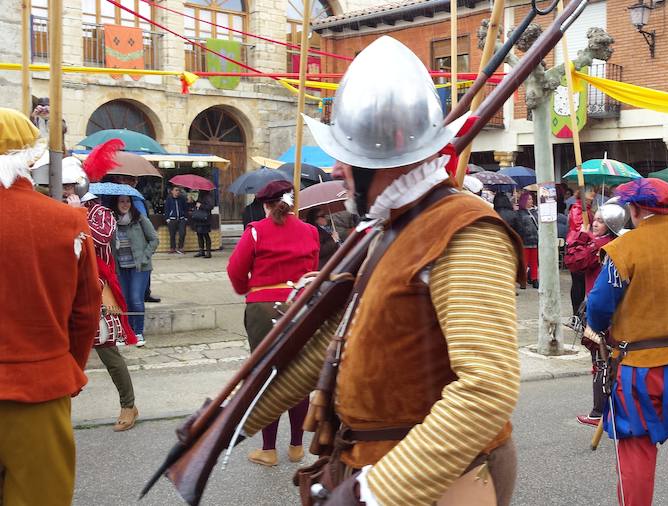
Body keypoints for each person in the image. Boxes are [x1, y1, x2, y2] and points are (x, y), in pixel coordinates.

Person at [236, 36, 523, 505]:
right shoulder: (389, 225)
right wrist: (235, 418)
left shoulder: (465, 229)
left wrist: (373, 492)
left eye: (346, 158)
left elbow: (487, 389)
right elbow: (331, 347)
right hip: (367, 460)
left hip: (443, 480)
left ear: (377, 163)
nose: (334, 169)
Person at [585, 178, 668, 506]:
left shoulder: (623, 249)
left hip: (636, 369)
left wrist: (601, 327)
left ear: (634, 209)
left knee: (636, 453)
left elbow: (599, 308)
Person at [0, 107, 102, 505]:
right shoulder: (67, 221)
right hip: (40, 390)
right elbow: (85, 312)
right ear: (29, 157)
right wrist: (67, 367)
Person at [226, 180, 319, 467]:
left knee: (267, 377)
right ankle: (295, 447)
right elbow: (313, 270)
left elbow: (236, 270)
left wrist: (247, 290)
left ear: (265, 205)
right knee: (299, 376)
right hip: (301, 305)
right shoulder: (311, 231)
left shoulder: (255, 231)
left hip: (264, 308)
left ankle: (268, 449)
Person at [81, 192, 140, 431]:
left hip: (95, 288)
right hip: (65, 289)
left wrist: (75, 216)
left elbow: (103, 238)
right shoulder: (56, 206)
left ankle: (128, 405)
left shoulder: (101, 213)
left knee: (107, 350)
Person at [574, 200, 629, 427]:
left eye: (600, 220)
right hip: (614, 312)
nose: (595, 224)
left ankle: (600, 412)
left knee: (602, 362)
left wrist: (596, 323)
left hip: (609, 315)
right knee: (606, 362)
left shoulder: (614, 250)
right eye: (594, 219)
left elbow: (576, 261)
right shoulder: (627, 245)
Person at [109, 195, 158, 347]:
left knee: (136, 299)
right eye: (121, 201)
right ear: (116, 203)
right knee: (123, 299)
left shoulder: (139, 219)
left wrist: (145, 257)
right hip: (121, 268)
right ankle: (126, 333)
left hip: (139, 267)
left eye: (127, 201)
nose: (125, 204)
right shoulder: (111, 221)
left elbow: (154, 239)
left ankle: (138, 332)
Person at [567, 188, 595, 314]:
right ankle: (576, 313)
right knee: (578, 283)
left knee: (582, 283)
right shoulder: (578, 209)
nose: (593, 194)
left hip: (583, 245)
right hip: (578, 246)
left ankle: (579, 313)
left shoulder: (587, 209)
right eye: (590, 192)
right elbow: (580, 228)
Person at [517, 192, 539, 288]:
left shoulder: (535, 212)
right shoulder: (519, 213)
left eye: (531, 199)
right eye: (529, 199)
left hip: (534, 239)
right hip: (524, 240)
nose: (531, 201)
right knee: (524, 262)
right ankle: (523, 279)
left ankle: (534, 279)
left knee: (534, 262)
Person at [164, 186, 188, 254]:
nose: (178, 192)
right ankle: (172, 248)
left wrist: (185, 218)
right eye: (176, 190)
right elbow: (166, 209)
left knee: (182, 233)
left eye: (179, 190)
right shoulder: (169, 199)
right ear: (172, 191)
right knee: (172, 235)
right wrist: (167, 219)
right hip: (172, 219)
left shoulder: (182, 198)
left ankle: (180, 248)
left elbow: (185, 208)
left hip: (181, 219)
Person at [190, 191, 214, 258]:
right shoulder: (200, 196)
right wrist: (193, 202)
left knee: (205, 234)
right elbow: (197, 205)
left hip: (205, 219)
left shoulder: (208, 196)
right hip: (199, 218)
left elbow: (210, 206)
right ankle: (201, 251)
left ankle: (208, 252)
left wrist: (201, 205)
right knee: (199, 234)